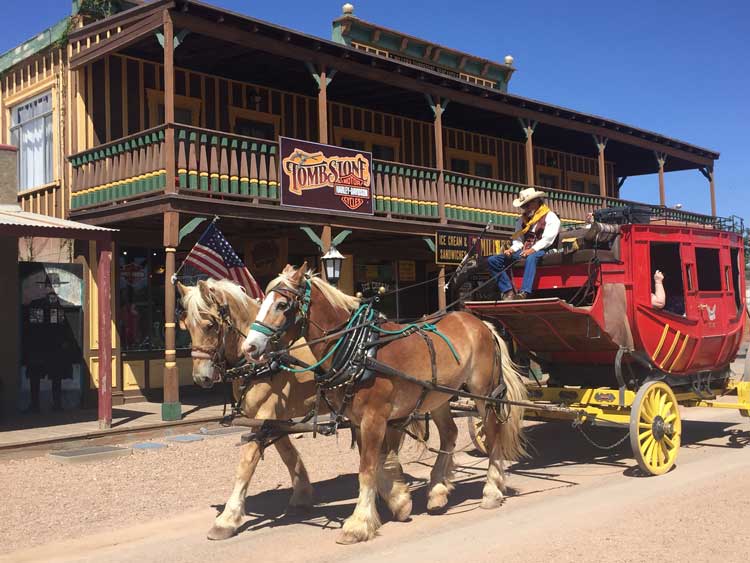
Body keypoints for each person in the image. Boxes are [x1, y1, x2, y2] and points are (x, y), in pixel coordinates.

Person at [487, 187, 561, 300]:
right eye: (523, 206)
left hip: (544, 250)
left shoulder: (550, 217)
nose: (525, 209)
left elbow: (547, 240)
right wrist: (511, 250)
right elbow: (518, 241)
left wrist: (532, 250)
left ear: (536, 202)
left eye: (527, 205)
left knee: (531, 257)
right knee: (493, 260)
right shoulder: (521, 220)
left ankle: (524, 292)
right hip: (523, 251)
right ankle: (508, 291)